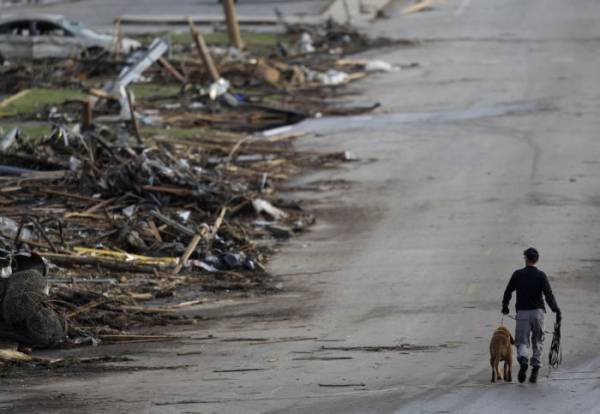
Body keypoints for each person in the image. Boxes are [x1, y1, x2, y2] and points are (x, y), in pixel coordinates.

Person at [502, 247, 561, 383]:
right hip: (538, 313)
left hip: (522, 313)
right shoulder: (541, 275)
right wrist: (555, 309)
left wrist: (505, 306)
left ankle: (523, 359)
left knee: (522, 341)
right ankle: (535, 369)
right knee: (538, 340)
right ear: (536, 260)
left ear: (525, 259)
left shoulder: (517, 274)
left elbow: (508, 291)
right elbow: (548, 295)